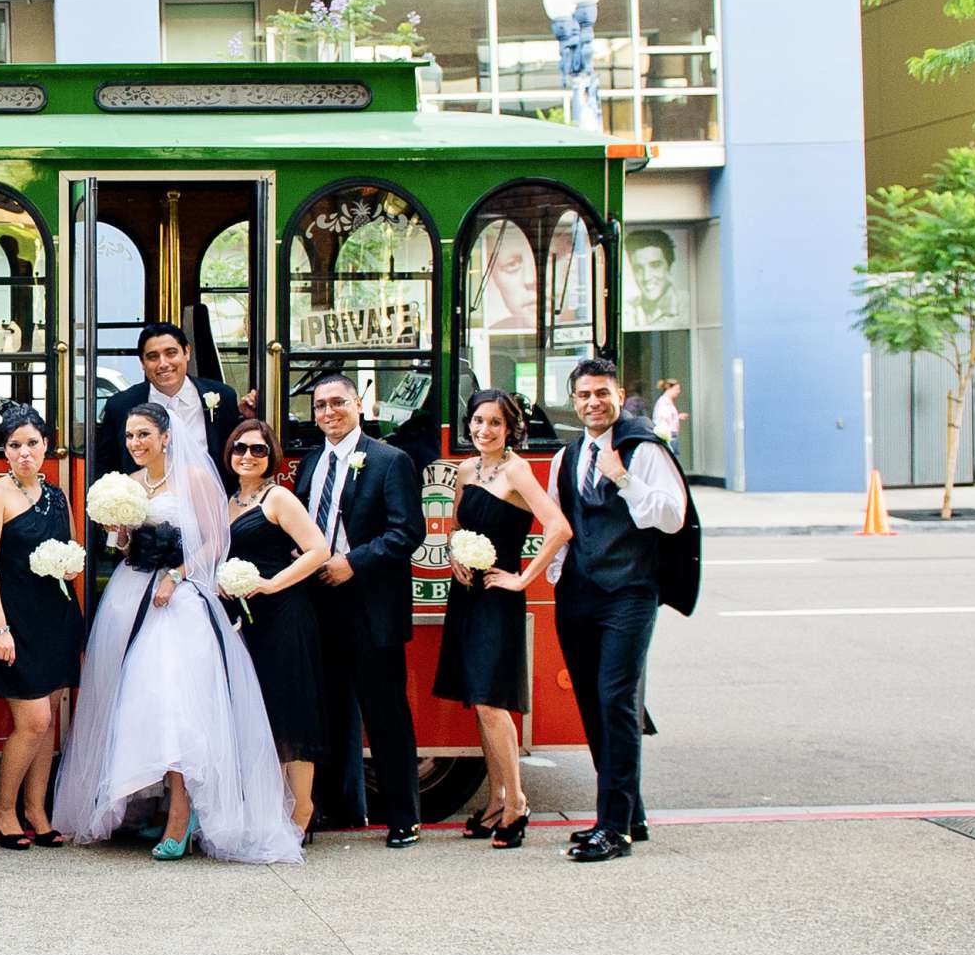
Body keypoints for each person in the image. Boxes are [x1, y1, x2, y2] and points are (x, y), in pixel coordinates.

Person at [52, 401, 303, 863]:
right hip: (132, 592)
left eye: (144, 434)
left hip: (179, 596)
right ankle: (159, 800)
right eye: (130, 436)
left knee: (176, 703)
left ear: (166, 437)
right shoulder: (126, 484)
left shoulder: (196, 478)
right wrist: (118, 529)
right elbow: (121, 548)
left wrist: (177, 576)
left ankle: (183, 815)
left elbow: (215, 540)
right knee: (138, 702)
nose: (136, 443)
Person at [549, 357, 699, 862]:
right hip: (578, 593)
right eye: (584, 395)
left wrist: (624, 478)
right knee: (591, 704)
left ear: (619, 395)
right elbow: (564, 527)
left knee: (616, 701)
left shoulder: (641, 449)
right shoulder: (566, 456)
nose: (593, 403)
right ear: (574, 402)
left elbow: (674, 516)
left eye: (602, 394)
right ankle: (629, 813)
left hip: (630, 592)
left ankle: (613, 828)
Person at [292, 370, 427, 847]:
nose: (329, 412)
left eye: (337, 403)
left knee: (384, 711)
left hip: (370, 603)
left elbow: (408, 531)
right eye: (321, 406)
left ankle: (404, 818)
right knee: (327, 711)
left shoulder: (390, 461)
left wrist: (355, 562)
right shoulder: (310, 464)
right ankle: (338, 806)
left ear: (358, 405)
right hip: (320, 600)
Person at [433, 390, 571, 849]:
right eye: (477, 421)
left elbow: (558, 527)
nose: (483, 430)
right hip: (466, 594)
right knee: (478, 700)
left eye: (494, 423)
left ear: (510, 428)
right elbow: (456, 526)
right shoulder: (466, 470)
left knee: (493, 703)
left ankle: (517, 803)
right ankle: (494, 800)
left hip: (497, 596)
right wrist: (455, 554)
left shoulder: (517, 471)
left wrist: (522, 578)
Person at [0, 402, 82, 849]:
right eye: (15, 445)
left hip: (56, 615)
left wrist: (72, 566)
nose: (24, 452)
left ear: (45, 446)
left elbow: (72, 546)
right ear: (5, 451)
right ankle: (3, 806)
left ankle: (37, 809)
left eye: (32, 444)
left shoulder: (57, 495)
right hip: (15, 620)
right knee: (33, 719)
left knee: (50, 716)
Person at [221, 419, 330, 835]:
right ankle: (268, 809)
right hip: (245, 624)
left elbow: (318, 550)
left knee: (291, 715)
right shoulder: (228, 501)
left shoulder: (278, 497)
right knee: (258, 716)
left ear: (271, 458)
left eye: (258, 450)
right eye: (240, 449)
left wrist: (271, 583)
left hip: (284, 616)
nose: (248, 456)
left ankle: (301, 811)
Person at [95, 320, 251, 479]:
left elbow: (237, 453)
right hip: (146, 499)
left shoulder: (223, 396)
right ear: (142, 362)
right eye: (153, 357)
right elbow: (106, 468)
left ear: (187, 352)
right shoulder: (121, 405)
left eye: (171, 353)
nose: (163, 364)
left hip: (209, 498)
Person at [652, 378, 684, 452]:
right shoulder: (664, 403)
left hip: (672, 436)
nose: (678, 392)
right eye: (677, 389)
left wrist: (677, 417)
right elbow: (662, 420)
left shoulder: (667, 402)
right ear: (669, 388)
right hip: (669, 436)